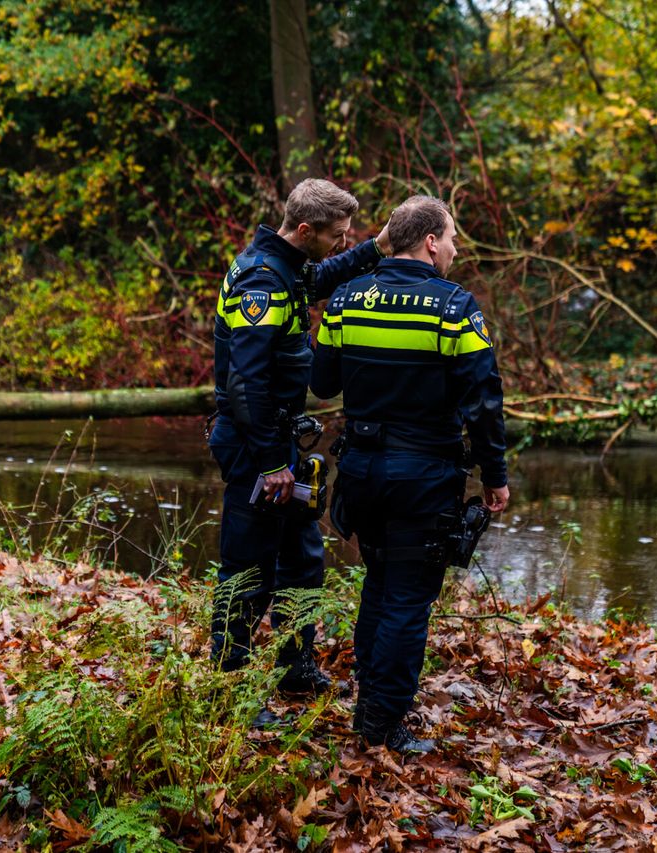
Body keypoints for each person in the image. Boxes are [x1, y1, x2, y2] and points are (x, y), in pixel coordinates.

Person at [310, 194, 510, 753]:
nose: (455, 250)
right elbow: (484, 402)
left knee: (380, 584)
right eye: (452, 239)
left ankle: (369, 708)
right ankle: (382, 723)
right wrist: (495, 475)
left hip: (361, 472)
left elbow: (322, 383)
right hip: (422, 477)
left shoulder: (347, 299)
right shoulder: (454, 308)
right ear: (429, 241)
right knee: (405, 597)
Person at [209, 178, 388, 698]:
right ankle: (230, 690)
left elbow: (323, 275)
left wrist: (376, 247)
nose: (342, 242)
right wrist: (270, 464)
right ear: (306, 230)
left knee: (303, 561)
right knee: (248, 571)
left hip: (279, 438)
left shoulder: (286, 266)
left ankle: (294, 669)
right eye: (337, 234)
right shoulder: (261, 283)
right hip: (254, 444)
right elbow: (245, 384)